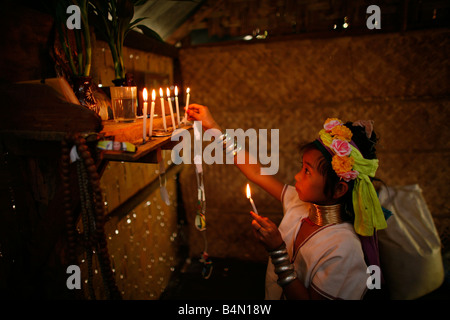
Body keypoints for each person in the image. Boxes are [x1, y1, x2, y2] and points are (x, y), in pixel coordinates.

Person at [186, 104, 387, 300]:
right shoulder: (298, 203)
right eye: (302, 166)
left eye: (307, 171)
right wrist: (213, 128)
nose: (297, 176)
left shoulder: (343, 249)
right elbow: (256, 172)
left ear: (338, 189)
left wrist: (278, 252)